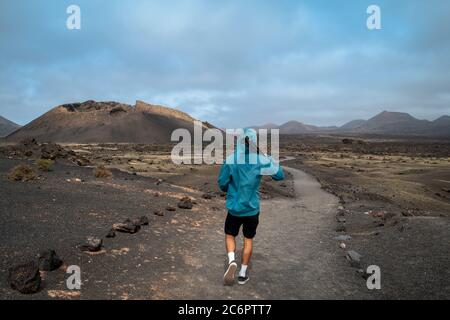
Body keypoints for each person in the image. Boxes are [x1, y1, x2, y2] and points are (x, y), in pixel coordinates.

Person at [218, 128, 284, 285]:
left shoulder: (231, 159)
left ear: (240, 141)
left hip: (235, 208)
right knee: (248, 240)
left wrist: (230, 190)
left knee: (230, 235)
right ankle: (242, 273)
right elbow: (279, 175)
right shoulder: (260, 160)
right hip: (252, 209)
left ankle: (232, 260)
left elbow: (222, 184)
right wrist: (267, 157)